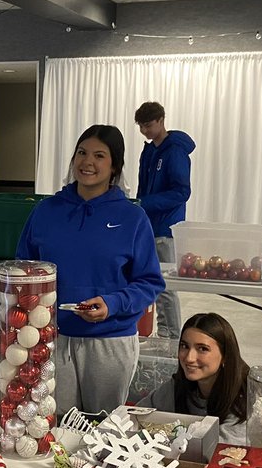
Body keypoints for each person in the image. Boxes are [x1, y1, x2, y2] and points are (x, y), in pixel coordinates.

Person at [16, 124, 164, 415]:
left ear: (114, 167)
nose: (88, 162)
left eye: (99, 156)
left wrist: (112, 304)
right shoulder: (46, 212)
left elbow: (149, 282)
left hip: (110, 340)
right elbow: (24, 270)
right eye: (82, 153)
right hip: (52, 338)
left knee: (105, 427)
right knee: (54, 423)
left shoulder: (132, 218)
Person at [136, 312, 249, 445]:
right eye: (184, 346)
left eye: (202, 349)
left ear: (225, 355)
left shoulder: (247, 394)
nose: (189, 358)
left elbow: (223, 448)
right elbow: (136, 415)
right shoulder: (178, 385)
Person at [134, 101, 194, 340]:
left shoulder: (175, 151)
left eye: (148, 125)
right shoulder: (149, 152)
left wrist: (145, 204)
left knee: (166, 285)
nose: (145, 131)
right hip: (146, 226)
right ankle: (163, 333)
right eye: (141, 127)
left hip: (165, 229)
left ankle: (170, 337)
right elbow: (142, 190)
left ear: (161, 120)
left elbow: (182, 192)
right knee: (150, 281)